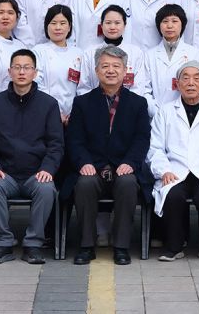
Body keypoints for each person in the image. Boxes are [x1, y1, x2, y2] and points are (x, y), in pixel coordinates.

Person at [67, 46, 151, 265]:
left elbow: (142, 139)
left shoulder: (138, 103)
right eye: (105, 66)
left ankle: (121, 247)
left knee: (128, 183)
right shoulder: (82, 102)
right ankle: (87, 246)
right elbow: (75, 140)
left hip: (123, 166)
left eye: (116, 66)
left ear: (125, 71)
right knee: (84, 184)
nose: (110, 71)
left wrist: (130, 162)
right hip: (93, 167)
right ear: (96, 71)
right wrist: (84, 163)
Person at [0, 49, 64, 264]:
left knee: (47, 189)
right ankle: (3, 244)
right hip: (5, 173)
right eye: (17, 67)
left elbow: (56, 144)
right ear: (9, 72)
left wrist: (47, 169)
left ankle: (33, 244)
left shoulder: (48, 104)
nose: (22, 72)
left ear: (35, 72)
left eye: (27, 68)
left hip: (36, 174)